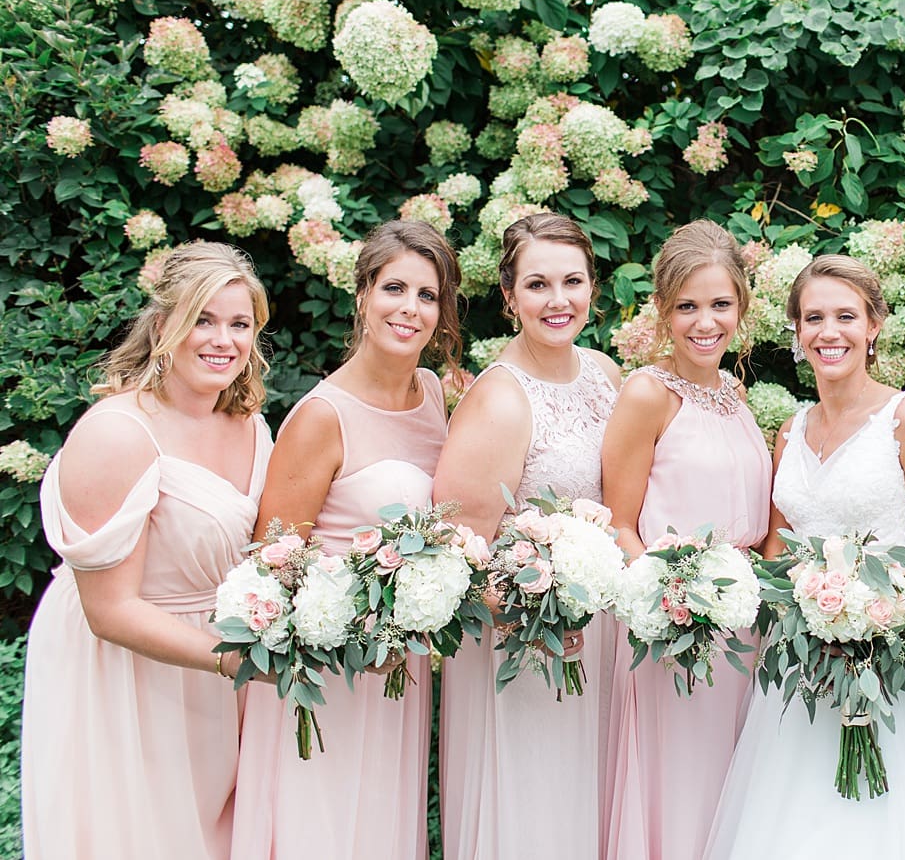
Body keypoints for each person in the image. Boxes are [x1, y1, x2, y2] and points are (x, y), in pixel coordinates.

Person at [703, 254, 905, 860]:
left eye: (846, 316)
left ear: (873, 326)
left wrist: (881, 615)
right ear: (796, 332)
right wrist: (788, 597)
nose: (830, 332)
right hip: (801, 669)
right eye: (814, 317)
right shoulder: (790, 430)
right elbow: (780, 544)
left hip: (894, 669)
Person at [22, 242, 273, 860]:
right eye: (203, 320)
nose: (223, 340)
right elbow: (110, 611)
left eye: (239, 323)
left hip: (217, 668)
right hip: (128, 676)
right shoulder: (117, 433)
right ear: (164, 326)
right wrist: (240, 661)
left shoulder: (251, 425)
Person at [231, 220, 461, 860]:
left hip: (400, 674)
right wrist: (359, 622)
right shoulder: (320, 416)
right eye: (394, 288)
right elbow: (273, 562)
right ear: (362, 296)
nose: (409, 308)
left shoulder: (434, 394)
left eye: (427, 295)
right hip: (330, 675)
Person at [434, 212, 622, 860]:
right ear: (509, 296)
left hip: (596, 639)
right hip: (526, 644)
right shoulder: (498, 400)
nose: (558, 299)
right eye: (537, 284)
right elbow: (458, 555)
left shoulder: (603, 373)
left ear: (592, 288)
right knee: (536, 811)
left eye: (572, 280)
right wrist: (544, 609)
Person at [600, 219, 772, 860]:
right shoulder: (647, 393)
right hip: (675, 628)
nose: (706, 322)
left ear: (742, 308)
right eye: (688, 307)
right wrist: (667, 606)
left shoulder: (733, 391)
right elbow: (620, 522)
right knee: (681, 785)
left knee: (736, 789)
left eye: (720, 305)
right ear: (662, 312)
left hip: (745, 628)